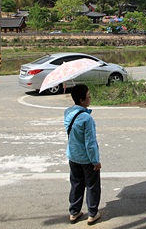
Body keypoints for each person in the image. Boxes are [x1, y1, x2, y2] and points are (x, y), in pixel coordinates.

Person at [64, 84, 102, 225]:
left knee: (76, 184)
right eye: (88, 95)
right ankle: (92, 213)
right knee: (92, 186)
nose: (90, 98)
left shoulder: (67, 113)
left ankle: (74, 212)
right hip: (86, 159)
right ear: (81, 100)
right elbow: (90, 143)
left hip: (73, 156)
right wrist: (95, 161)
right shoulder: (87, 119)